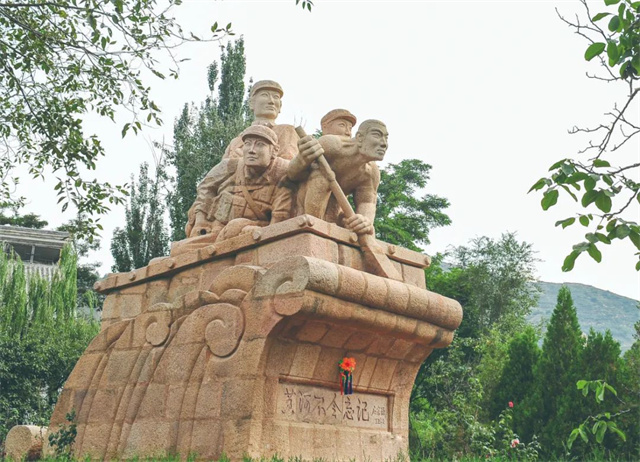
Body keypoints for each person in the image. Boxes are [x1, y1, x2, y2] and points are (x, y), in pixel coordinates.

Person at [183, 125, 293, 243]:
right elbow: (205, 188)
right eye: (247, 144)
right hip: (216, 229)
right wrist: (201, 221)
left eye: (260, 145)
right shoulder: (229, 166)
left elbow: (279, 219)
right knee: (182, 248)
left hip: (253, 230)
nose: (251, 150)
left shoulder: (282, 173)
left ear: (274, 151)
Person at [288, 119, 389, 237]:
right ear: (360, 137)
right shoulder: (332, 145)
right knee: (321, 176)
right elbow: (292, 174)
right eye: (377, 135)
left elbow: (367, 202)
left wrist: (364, 221)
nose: (384, 144)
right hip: (303, 201)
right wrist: (302, 158)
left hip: (335, 211)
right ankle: (314, 225)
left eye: (386, 138)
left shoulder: (370, 173)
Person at [222, 80, 299, 160]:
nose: (271, 101)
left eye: (276, 97)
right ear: (251, 103)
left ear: (280, 106)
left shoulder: (286, 131)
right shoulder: (236, 141)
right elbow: (222, 166)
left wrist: (245, 161)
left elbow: (288, 164)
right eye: (265, 95)